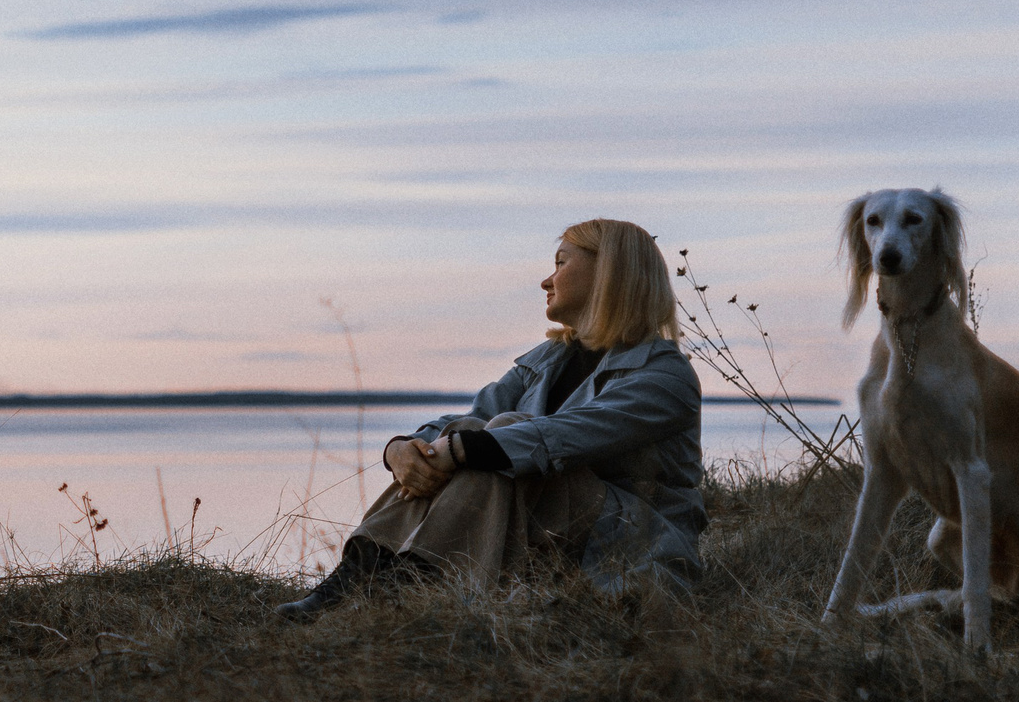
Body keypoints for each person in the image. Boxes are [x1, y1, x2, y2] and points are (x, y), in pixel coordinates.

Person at [277, 218, 704, 620]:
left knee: (500, 435)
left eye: (560, 263)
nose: (546, 280)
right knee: (477, 434)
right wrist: (404, 449)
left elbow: (567, 436)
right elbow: (473, 418)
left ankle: (413, 580)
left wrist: (462, 449)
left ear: (608, 272)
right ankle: (359, 574)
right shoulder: (548, 360)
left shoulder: (664, 375)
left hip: (629, 546)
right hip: (541, 533)